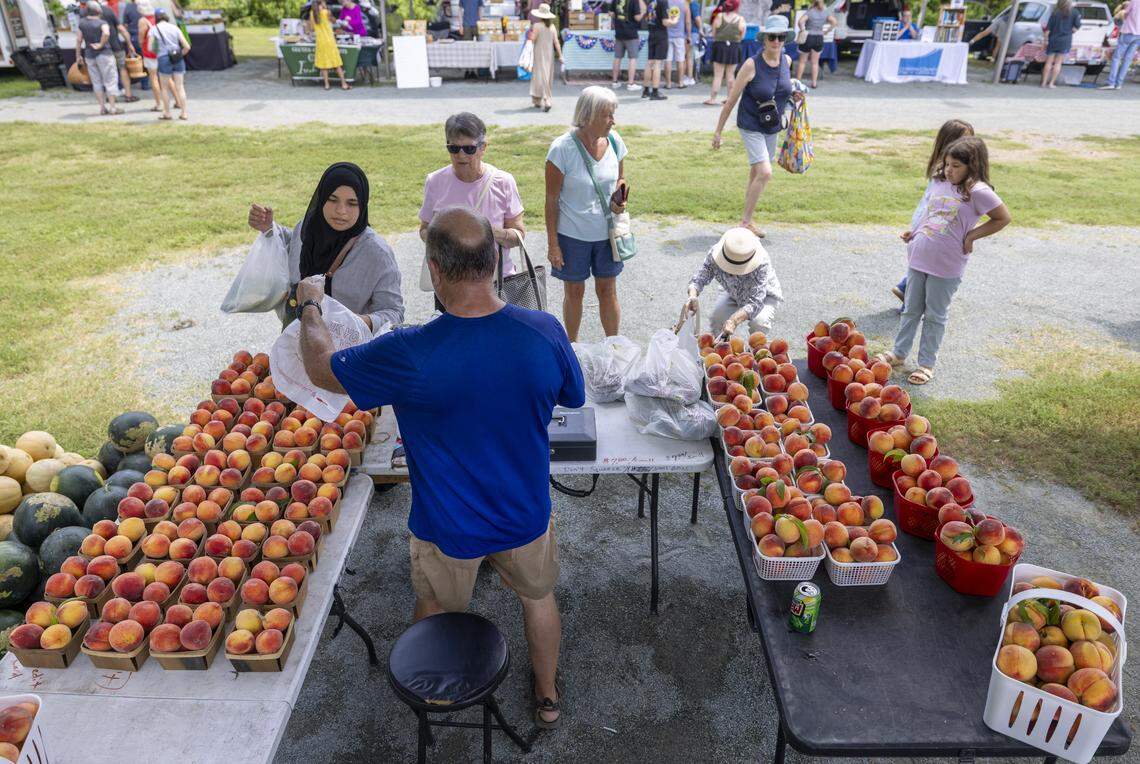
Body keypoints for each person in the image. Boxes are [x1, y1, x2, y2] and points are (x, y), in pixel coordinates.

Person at [294, 206, 584, 729]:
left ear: (434, 269)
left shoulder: (409, 352)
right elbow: (572, 394)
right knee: (539, 599)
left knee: (434, 605)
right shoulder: (544, 330)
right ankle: (547, 697)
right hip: (525, 513)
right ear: (495, 261)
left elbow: (319, 367)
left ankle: (433, 695)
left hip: (445, 525)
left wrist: (311, 306)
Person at [875, 137, 1011, 385]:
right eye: (947, 163)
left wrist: (972, 235)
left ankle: (926, 364)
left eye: (956, 165)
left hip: (946, 265)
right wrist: (913, 231)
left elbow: (1003, 218)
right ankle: (898, 354)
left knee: (935, 315)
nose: (949, 169)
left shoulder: (978, 191)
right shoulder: (939, 182)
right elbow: (931, 212)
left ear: (973, 166)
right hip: (919, 257)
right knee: (911, 309)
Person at [247, 162, 404, 331]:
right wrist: (269, 228)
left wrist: (355, 322)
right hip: (296, 340)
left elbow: (394, 313)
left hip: (347, 352)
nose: (341, 210)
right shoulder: (307, 228)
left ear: (363, 204)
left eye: (352, 203)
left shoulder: (376, 253)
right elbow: (294, 244)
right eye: (332, 199)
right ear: (321, 197)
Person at [545, 86, 629, 341]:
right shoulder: (561, 149)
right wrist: (553, 245)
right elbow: (551, 200)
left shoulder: (615, 141)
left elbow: (621, 178)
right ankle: (573, 347)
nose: (613, 121)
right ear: (588, 115)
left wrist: (620, 198)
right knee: (574, 292)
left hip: (607, 234)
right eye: (607, 115)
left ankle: (614, 346)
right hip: (572, 235)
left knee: (608, 290)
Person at [712, 15, 803, 239]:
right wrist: (718, 131)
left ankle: (747, 220)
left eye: (781, 37)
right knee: (765, 172)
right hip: (751, 123)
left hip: (772, 126)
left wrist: (794, 95)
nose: (777, 41)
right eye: (772, 37)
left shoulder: (787, 61)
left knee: (756, 172)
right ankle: (745, 223)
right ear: (764, 39)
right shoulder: (751, 64)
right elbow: (731, 99)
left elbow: (781, 89)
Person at [419, 113, 526, 301]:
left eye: (469, 148)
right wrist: (444, 236)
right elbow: (424, 230)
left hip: (496, 284)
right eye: (453, 148)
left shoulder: (503, 182)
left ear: (483, 148)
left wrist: (484, 232)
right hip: (449, 283)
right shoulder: (435, 181)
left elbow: (518, 235)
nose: (461, 155)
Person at [891, 119, 974, 303]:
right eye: (962, 141)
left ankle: (908, 291)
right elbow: (933, 204)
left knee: (928, 263)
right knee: (928, 264)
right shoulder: (946, 170)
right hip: (931, 222)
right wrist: (917, 228)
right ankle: (909, 296)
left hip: (934, 223)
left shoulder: (954, 168)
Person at [685, 227, 783, 337]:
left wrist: (734, 320)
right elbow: (699, 278)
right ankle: (719, 348)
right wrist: (692, 296)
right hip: (734, 293)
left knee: (759, 323)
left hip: (764, 296)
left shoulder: (761, 262)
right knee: (717, 318)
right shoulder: (715, 254)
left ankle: (755, 350)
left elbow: (755, 302)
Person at [77, 2, 123, 115]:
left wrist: (78, 55)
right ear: (98, 11)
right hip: (105, 54)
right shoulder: (102, 23)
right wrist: (101, 44)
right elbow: (106, 33)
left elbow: (78, 40)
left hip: (89, 55)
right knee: (110, 80)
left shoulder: (82, 23)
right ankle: (113, 107)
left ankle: (102, 108)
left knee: (96, 81)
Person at [150, 8, 190, 120]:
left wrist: (158, 51)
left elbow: (150, 47)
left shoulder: (154, 29)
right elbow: (187, 46)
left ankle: (167, 113)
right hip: (177, 58)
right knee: (180, 87)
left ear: (156, 18)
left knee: (164, 88)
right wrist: (179, 55)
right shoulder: (174, 27)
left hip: (163, 59)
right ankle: (184, 113)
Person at [704, 0, 745, 105]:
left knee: (718, 75)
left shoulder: (719, 16)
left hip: (720, 47)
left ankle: (713, 99)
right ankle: (729, 99)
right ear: (736, 7)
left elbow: (713, 34)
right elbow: (742, 36)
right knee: (731, 76)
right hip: (734, 47)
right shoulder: (740, 19)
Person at [100, 0, 139, 103]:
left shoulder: (87, 13)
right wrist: (129, 43)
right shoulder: (108, 11)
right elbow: (121, 28)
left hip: (102, 49)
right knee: (122, 69)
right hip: (116, 46)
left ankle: (111, 96)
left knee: (107, 72)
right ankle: (128, 95)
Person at [309, 0, 350, 90]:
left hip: (320, 42)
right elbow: (335, 21)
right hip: (329, 41)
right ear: (321, 3)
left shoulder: (312, 14)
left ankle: (327, 85)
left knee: (324, 65)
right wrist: (326, 9)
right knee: (337, 63)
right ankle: (343, 84)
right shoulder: (326, 12)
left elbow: (311, 28)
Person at [795, 0, 835, 88]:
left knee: (802, 62)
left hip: (808, 37)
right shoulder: (825, 12)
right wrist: (827, 31)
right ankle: (814, 83)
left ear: (813, 3)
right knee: (815, 63)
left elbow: (800, 21)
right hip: (819, 37)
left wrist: (802, 30)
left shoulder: (810, 12)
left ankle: (797, 83)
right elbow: (834, 22)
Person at [529, 3, 561, 111]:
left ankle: (544, 100)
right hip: (549, 55)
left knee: (538, 76)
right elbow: (556, 42)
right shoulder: (552, 27)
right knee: (547, 76)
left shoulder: (537, 26)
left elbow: (532, 39)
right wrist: (560, 56)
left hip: (539, 53)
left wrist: (530, 34)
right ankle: (541, 99)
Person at [1041, 0, 1081, 88]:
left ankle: (1043, 83)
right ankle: (1051, 83)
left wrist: (1045, 41)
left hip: (1053, 40)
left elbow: (1047, 30)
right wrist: (1069, 31)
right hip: (1065, 40)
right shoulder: (1075, 12)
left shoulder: (1055, 13)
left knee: (1048, 62)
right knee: (1058, 63)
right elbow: (1076, 27)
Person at [1102, 0, 1140, 89]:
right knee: (1127, 59)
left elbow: (1125, 14)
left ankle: (1111, 82)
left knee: (1116, 57)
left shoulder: (1134, 1)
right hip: (1138, 35)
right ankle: (1119, 84)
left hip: (1128, 32)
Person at [611, 0, 646, 90]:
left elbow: (611, 13)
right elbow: (637, 18)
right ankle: (630, 83)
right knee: (632, 58)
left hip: (619, 32)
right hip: (631, 33)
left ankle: (614, 82)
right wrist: (643, 13)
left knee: (617, 57)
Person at [136, 0, 161, 112]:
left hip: (150, 52)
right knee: (167, 78)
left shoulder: (143, 20)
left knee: (154, 78)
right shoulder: (157, 17)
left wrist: (141, 46)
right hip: (161, 51)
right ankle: (177, 101)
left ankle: (159, 104)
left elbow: (141, 39)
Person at [642, 0, 670, 99]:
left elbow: (646, 18)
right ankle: (655, 91)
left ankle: (645, 91)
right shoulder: (663, 2)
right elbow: (665, 22)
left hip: (651, 33)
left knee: (649, 62)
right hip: (661, 34)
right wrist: (674, 21)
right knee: (658, 63)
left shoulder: (651, 2)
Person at [664, 0, 692, 88]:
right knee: (680, 59)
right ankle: (680, 82)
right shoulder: (685, 3)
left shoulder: (666, 2)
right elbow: (688, 22)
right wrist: (689, 35)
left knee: (667, 60)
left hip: (667, 35)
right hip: (680, 35)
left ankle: (668, 84)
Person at [685, 0, 702, 86]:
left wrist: (700, 29)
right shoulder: (693, 3)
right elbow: (697, 18)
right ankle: (688, 77)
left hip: (691, 32)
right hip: (692, 32)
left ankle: (689, 77)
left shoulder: (692, 4)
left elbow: (697, 18)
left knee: (688, 55)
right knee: (688, 55)